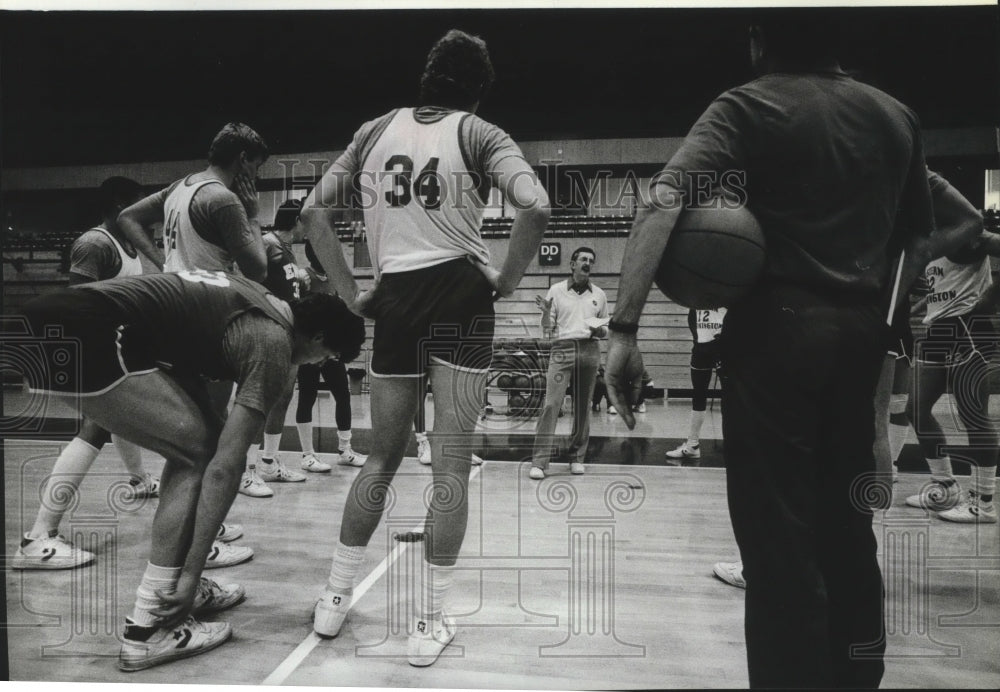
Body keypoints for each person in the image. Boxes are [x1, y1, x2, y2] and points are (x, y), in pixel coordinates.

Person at [605, 12, 941, 688]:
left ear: (759, 41)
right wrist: (881, 321)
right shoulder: (895, 115)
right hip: (860, 334)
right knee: (848, 525)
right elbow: (918, 240)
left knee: (778, 538)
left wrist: (625, 329)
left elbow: (662, 200)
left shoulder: (748, 104)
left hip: (776, 331)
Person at [300, 29, 549, 666]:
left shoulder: (373, 130)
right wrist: (509, 279)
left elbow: (311, 215)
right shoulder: (481, 134)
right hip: (460, 295)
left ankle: (333, 599)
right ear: (479, 89)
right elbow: (536, 206)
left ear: (426, 77)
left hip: (397, 297)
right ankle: (429, 621)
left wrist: (351, 290)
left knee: (380, 460)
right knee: (449, 465)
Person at [16, 270, 365, 670]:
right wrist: (196, 564)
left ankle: (181, 588)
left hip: (47, 321)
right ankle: (150, 626)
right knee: (199, 455)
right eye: (327, 357)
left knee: (199, 443)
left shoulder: (257, 299)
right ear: (318, 338)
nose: (319, 364)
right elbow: (224, 469)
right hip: (85, 330)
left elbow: (190, 375)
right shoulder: (272, 343)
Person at [11, 176, 171, 570]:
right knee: (97, 427)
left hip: (116, 349)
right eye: (139, 205)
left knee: (119, 421)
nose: (147, 214)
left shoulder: (131, 244)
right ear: (119, 204)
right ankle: (37, 538)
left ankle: (138, 480)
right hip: (88, 349)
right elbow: (75, 305)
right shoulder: (95, 243)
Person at [118, 122, 274, 501]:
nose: (256, 175)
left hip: (175, 310)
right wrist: (253, 215)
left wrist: (162, 262)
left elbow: (127, 217)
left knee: (197, 427)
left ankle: (188, 523)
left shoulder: (181, 186)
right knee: (208, 429)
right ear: (243, 159)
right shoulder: (223, 199)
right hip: (208, 317)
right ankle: (196, 527)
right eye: (256, 166)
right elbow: (258, 269)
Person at [903, 172, 1000, 523]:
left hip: (968, 327)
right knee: (916, 409)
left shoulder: (967, 232)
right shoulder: (926, 237)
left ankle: (984, 504)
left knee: (973, 414)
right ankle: (945, 488)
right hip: (937, 331)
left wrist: (989, 298)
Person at [529, 247, 608, 479]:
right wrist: (545, 312)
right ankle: (539, 462)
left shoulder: (600, 295)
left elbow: (605, 331)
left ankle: (576, 457)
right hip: (562, 349)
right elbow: (546, 328)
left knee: (583, 407)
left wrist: (600, 329)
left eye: (591, 261)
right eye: (583, 259)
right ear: (572, 265)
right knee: (552, 404)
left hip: (589, 349)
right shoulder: (556, 290)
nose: (587, 263)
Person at [296, 237, 367, 470]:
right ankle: (307, 455)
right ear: (314, 255)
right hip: (311, 346)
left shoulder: (335, 279)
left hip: (330, 348)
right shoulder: (303, 277)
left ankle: (345, 450)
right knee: (307, 396)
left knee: (343, 394)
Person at [666, 308, 726, 460]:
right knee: (698, 394)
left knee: (731, 396)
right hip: (701, 348)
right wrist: (697, 338)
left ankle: (736, 444)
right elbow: (692, 315)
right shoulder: (697, 292)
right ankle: (693, 445)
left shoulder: (727, 289)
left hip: (724, 347)